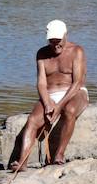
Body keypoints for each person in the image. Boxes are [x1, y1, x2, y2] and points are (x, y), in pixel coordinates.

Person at [8, 19, 89, 170]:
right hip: (51, 94)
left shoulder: (77, 51)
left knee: (69, 111)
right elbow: (41, 83)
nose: (55, 44)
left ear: (66, 35)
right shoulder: (42, 54)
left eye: (58, 40)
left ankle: (59, 154)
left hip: (74, 93)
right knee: (32, 120)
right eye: (52, 40)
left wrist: (58, 106)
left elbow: (77, 82)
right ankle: (22, 162)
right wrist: (47, 103)